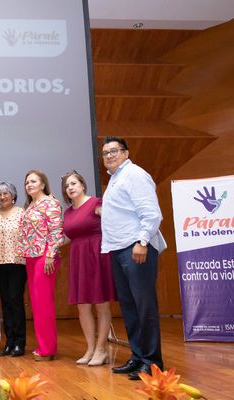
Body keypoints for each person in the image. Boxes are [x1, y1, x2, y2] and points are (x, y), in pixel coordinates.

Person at [100, 136, 164, 380]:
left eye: (114, 151)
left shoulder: (135, 174)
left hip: (136, 248)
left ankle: (152, 363)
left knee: (144, 306)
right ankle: (138, 356)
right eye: (105, 153)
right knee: (129, 307)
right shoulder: (116, 179)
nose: (109, 155)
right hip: (118, 250)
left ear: (126, 153)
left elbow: (151, 213)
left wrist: (143, 242)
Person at [61, 171, 115, 366]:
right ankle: (91, 348)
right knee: (82, 306)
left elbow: (112, 222)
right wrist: (48, 245)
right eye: (67, 186)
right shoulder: (68, 212)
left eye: (74, 183)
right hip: (78, 257)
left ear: (82, 185)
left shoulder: (96, 203)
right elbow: (68, 237)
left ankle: (102, 350)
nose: (71, 188)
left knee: (101, 304)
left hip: (97, 255)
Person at [17, 169, 64, 361]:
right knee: (36, 303)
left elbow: (56, 231)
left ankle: (48, 349)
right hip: (31, 256)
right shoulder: (30, 206)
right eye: (27, 182)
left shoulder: (51, 203)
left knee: (43, 303)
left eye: (33, 181)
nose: (29, 185)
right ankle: (43, 345)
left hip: (45, 256)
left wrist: (51, 255)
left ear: (43, 184)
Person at [0, 181, 27, 357]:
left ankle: (20, 342)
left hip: (17, 262)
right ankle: (9, 341)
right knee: (5, 302)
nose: (2, 197)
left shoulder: (22, 213)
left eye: (5, 193)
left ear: (13, 195)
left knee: (15, 300)